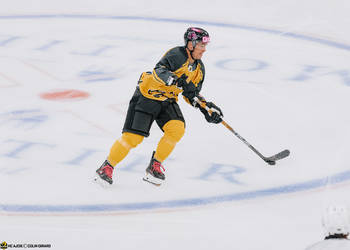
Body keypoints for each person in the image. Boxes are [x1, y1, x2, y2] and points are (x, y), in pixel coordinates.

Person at [94, 27, 223, 186]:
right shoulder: (177, 55)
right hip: (146, 96)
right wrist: (173, 79)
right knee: (133, 138)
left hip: (167, 100)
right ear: (191, 44)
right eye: (201, 46)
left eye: (205, 46)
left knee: (177, 129)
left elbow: (191, 94)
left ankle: (154, 165)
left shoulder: (199, 69)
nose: (204, 50)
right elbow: (158, 70)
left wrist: (206, 108)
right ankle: (106, 167)